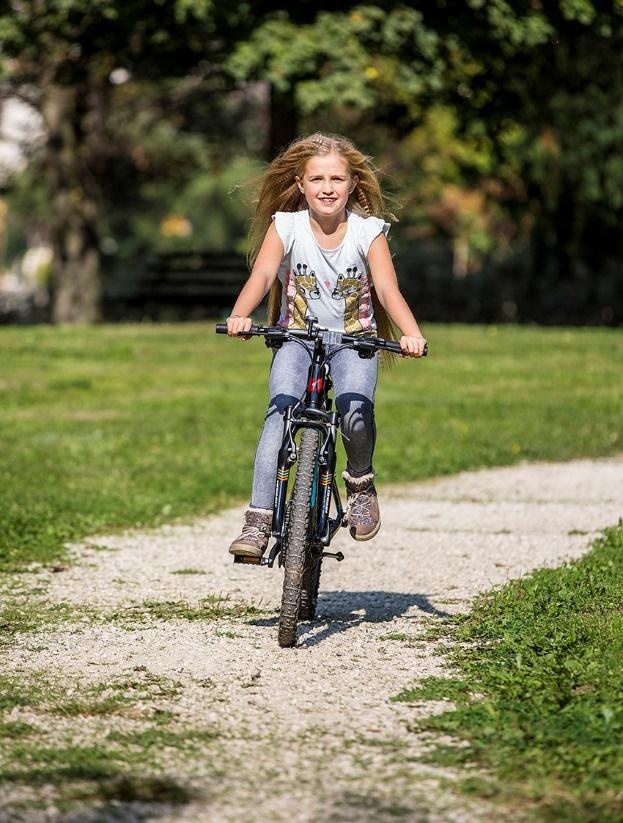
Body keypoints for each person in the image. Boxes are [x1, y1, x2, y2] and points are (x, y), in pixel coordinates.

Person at [226, 132, 427, 559]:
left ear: (353, 183)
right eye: (317, 179)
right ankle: (258, 520)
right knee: (278, 414)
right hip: (295, 339)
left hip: (355, 341)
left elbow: (388, 291)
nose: (327, 188)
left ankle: (358, 482)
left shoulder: (368, 232)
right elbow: (262, 277)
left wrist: (411, 333)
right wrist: (241, 314)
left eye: (337, 178)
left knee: (355, 412)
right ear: (300, 184)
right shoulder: (287, 226)